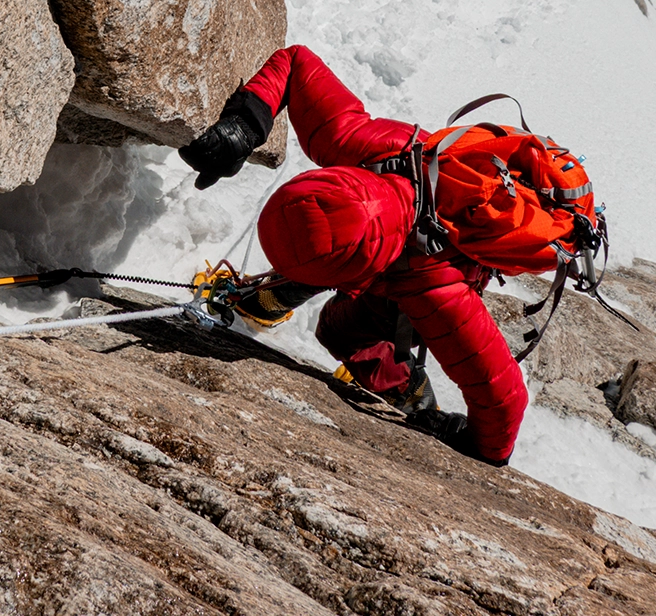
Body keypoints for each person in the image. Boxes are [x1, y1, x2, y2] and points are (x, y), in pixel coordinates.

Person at [179, 44, 588, 466]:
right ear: (334, 174)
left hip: (438, 254)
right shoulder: (360, 144)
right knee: (328, 239)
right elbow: (297, 63)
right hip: (416, 210)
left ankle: (412, 399)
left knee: (345, 331)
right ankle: (268, 300)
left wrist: (474, 444)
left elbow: (504, 396)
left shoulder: (434, 286)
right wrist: (245, 125)